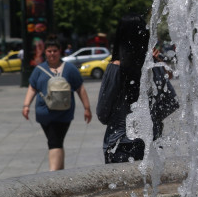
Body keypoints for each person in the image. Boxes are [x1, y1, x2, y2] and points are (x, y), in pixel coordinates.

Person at [96, 13, 178, 163]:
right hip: (150, 143)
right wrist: (151, 118)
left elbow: (102, 113)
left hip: (119, 145)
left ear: (119, 37)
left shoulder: (115, 69)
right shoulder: (152, 65)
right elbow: (171, 102)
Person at [22, 34, 92, 171]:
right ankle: (60, 174)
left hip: (63, 114)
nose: (52, 54)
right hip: (44, 114)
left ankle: (52, 175)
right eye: (49, 51)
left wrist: (87, 108)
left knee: (55, 142)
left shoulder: (69, 69)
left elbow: (80, 88)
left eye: (55, 51)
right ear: (45, 52)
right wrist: (26, 105)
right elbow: (32, 88)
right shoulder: (39, 70)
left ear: (60, 51)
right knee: (56, 142)